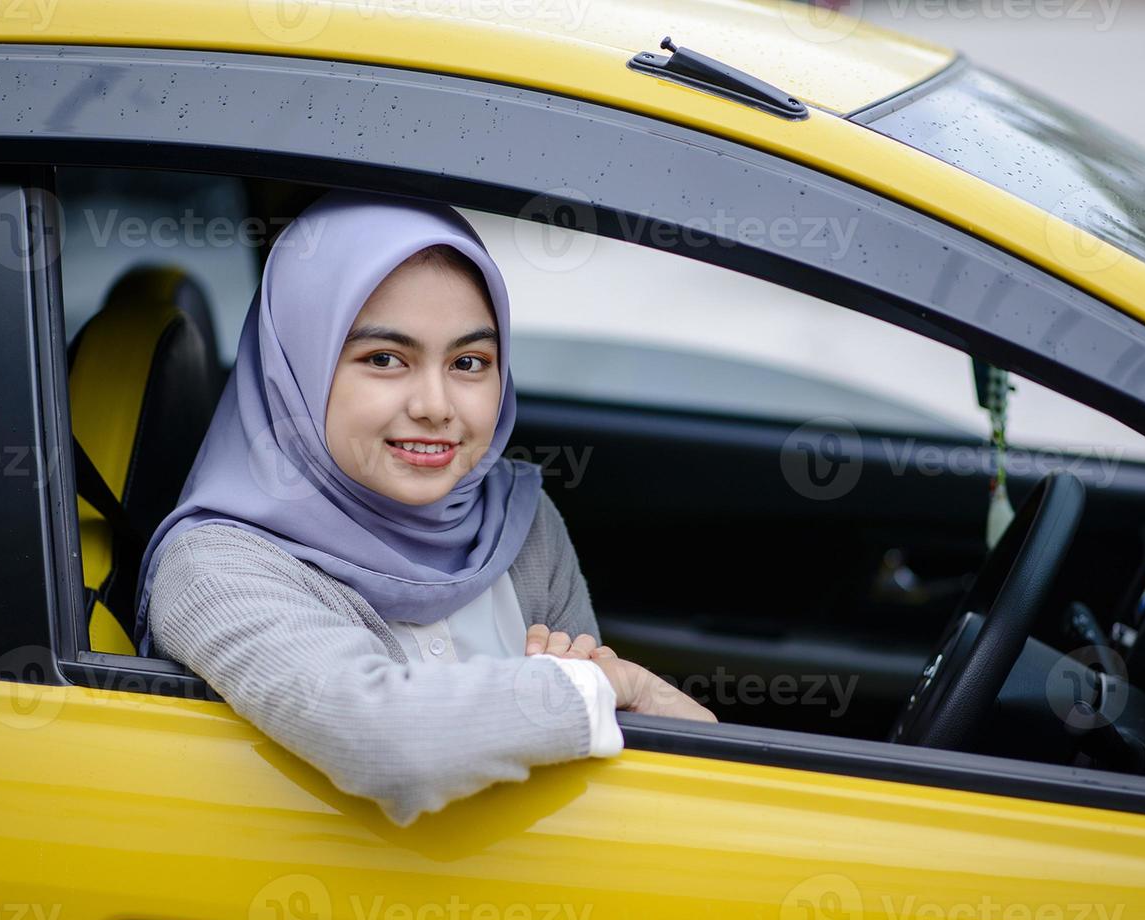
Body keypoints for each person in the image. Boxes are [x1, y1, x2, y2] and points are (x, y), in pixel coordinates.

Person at [131, 188, 715, 828]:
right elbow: (393, 745)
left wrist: (590, 703)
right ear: (295, 367)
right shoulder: (214, 568)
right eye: (385, 359)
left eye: (469, 362)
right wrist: (613, 687)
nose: (436, 404)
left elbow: (593, 774)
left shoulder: (519, 525)